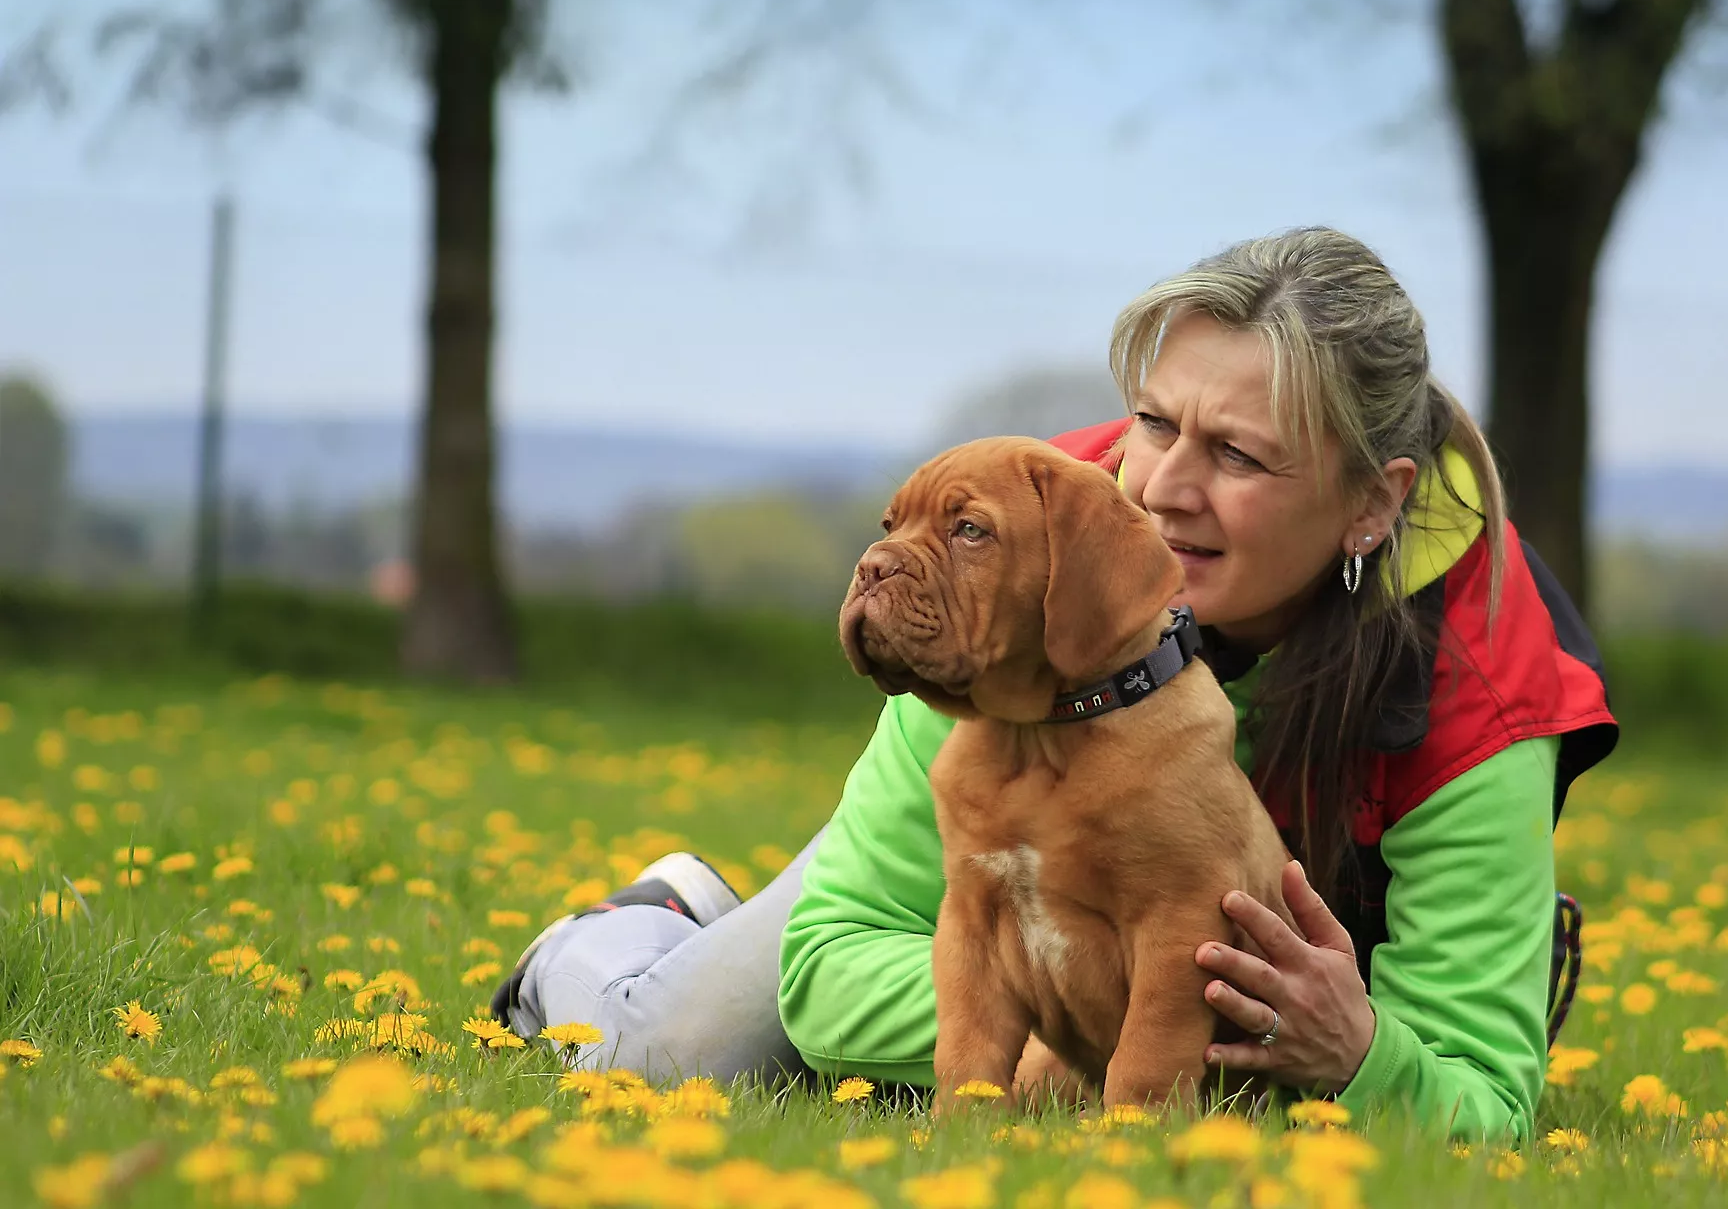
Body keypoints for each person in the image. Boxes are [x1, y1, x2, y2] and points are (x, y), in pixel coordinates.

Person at [494, 228, 1616, 1140]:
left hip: (1198, 984)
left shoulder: (1485, 685)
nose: (1162, 488)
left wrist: (1361, 1056)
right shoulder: (1023, 542)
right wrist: (1076, 1031)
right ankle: (616, 938)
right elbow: (836, 958)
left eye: (1238, 455)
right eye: (1155, 422)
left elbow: (1486, 1100)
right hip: (1008, 943)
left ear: (1374, 502)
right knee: (666, 1053)